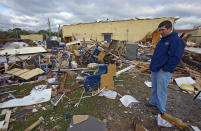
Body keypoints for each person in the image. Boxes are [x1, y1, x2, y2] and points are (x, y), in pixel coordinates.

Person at [148, 20, 185, 114]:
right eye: (159, 30)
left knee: (161, 90)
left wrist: (165, 68)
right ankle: (153, 102)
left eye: (162, 30)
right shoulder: (162, 40)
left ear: (170, 29)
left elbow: (176, 57)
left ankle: (161, 109)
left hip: (164, 71)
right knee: (155, 88)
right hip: (155, 69)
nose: (160, 32)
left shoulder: (176, 41)